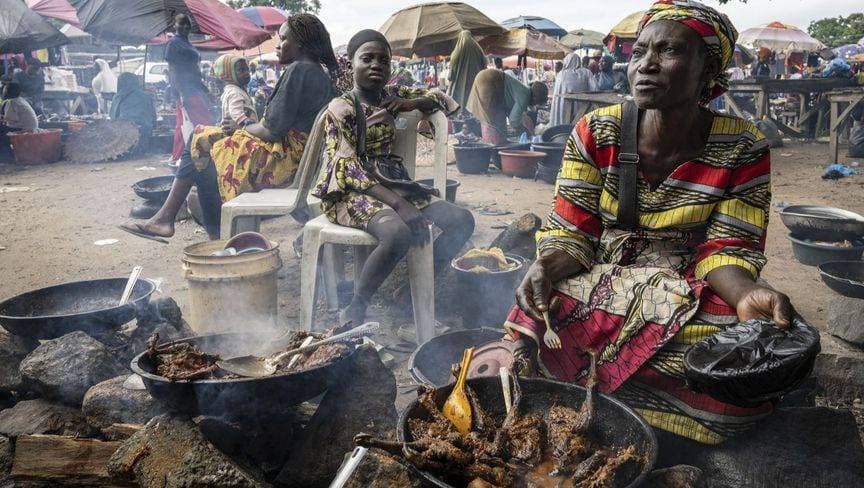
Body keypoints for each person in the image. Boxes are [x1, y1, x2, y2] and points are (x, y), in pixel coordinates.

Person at [506, 0, 795, 457]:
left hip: (690, 284)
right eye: (639, 51)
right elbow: (574, 232)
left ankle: (634, 414)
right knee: (537, 310)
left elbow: (726, 247)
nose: (647, 65)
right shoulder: (595, 132)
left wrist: (743, 296)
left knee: (744, 344)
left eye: (669, 52)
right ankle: (587, 409)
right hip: (606, 273)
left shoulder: (742, 146)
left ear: (708, 70)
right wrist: (544, 265)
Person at [122, 15, 337, 241]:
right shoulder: (316, 71)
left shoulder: (299, 70)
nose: (278, 45)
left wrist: (240, 125)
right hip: (298, 159)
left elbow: (271, 131)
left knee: (199, 142)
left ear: (300, 43)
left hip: (284, 162)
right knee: (203, 145)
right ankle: (188, 226)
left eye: (283, 39)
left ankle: (178, 223)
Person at [313, 30, 473, 325]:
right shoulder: (341, 108)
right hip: (351, 191)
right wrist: (400, 206)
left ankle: (408, 290)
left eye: (383, 61)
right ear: (350, 65)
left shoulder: (393, 97)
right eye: (367, 58)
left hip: (395, 183)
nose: (376, 65)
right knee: (398, 233)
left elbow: (442, 100)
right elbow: (347, 168)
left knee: (462, 220)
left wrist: (412, 103)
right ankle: (357, 306)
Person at [164, 13, 214, 162]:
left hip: (194, 87)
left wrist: (205, 90)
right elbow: (173, 69)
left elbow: (194, 70)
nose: (185, 26)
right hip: (185, 90)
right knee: (203, 122)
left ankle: (178, 156)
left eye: (188, 24)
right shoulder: (173, 43)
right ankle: (204, 154)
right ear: (174, 25)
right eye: (181, 23)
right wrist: (179, 93)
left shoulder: (187, 42)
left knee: (182, 124)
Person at [465, 67, 549, 144]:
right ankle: (492, 148)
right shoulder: (525, 95)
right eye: (537, 102)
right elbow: (513, 120)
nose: (535, 105)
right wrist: (524, 130)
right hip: (490, 81)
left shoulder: (524, 91)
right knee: (491, 121)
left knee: (496, 122)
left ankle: (493, 146)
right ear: (535, 98)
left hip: (486, 77)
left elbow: (510, 111)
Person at [110, 73, 156, 154]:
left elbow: (113, 118)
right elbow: (153, 120)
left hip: (122, 137)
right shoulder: (147, 96)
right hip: (144, 134)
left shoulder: (117, 97)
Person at [446, 30, 486, 113]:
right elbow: (485, 68)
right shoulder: (479, 50)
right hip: (476, 90)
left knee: (458, 115)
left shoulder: (455, 53)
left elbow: (450, 77)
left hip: (458, 95)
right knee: (474, 116)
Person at [550, 53, 592, 126]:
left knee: (564, 125)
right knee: (579, 127)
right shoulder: (586, 72)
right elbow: (595, 89)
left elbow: (557, 96)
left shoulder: (561, 74)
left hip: (564, 108)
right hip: (583, 108)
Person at [0, 82, 39, 160]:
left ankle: (7, 157)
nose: (2, 91)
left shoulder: (11, 102)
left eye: (4, 89)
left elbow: (11, 119)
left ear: (7, 91)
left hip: (24, 129)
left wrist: (2, 118)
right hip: (31, 127)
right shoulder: (20, 100)